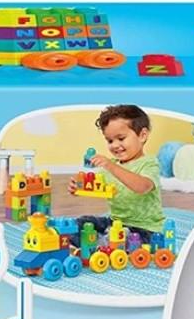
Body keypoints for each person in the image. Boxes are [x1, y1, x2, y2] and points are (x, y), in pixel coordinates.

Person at [69, 104, 166, 242]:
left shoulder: (149, 163)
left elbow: (143, 187)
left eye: (121, 138)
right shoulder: (111, 166)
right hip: (114, 223)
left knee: (124, 239)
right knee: (83, 223)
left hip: (145, 229)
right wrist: (78, 186)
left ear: (142, 135)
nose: (114, 145)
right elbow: (94, 185)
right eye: (110, 140)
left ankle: (99, 243)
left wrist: (111, 166)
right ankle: (90, 242)